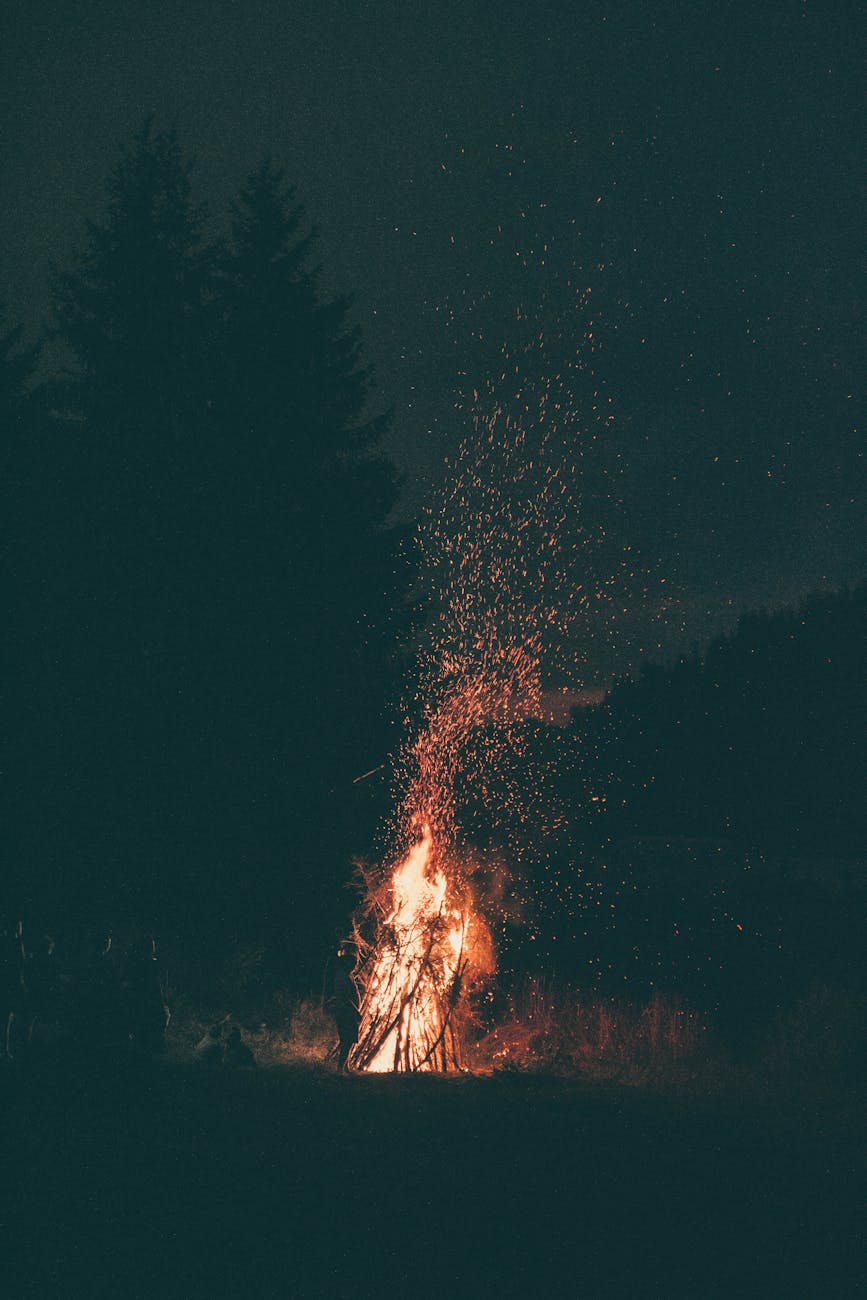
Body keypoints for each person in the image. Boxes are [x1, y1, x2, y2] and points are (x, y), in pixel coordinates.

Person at [330, 945, 360, 1073]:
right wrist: (355, 1011)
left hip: (348, 1012)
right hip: (345, 1012)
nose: (354, 967)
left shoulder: (348, 975)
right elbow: (345, 998)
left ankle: (345, 1067)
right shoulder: (342, 977)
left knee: (350, 1039)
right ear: (346, 963)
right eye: (353, 964)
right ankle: (339, 1069)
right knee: (347, 1040)